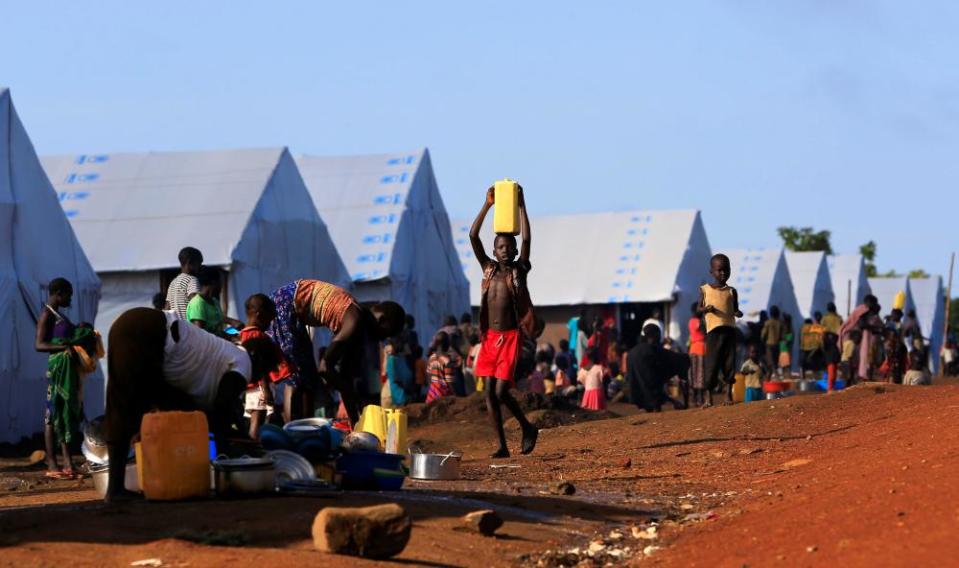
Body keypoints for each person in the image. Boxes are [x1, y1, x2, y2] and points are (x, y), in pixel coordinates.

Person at [102, 306, 279, 502]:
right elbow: (220, 412)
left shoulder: (226, 355)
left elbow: (195, 406)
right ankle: (115, 489)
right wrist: (239, 446)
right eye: (265, 371)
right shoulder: (243, 362)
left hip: (137, 325)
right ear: (259, 359)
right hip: (148, 330)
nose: (261, 377)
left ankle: (120, 487)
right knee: (124, 406)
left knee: (135, 405)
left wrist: (235, 434)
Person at [268, 279, 405, 424]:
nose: (380, 340)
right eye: (383, 335)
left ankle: (305, 430)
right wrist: (347, 391)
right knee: (297, 375)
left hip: (294, 310)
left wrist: (355, 421)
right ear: (381, 320)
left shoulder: (357, 327)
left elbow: (345, 376)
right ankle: (293, 431)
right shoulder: (354, 319)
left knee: (308, 377)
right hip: (285, 303)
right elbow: (325, 367)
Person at [469, 185, 539, 458]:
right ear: (494, 251)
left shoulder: (519, 271)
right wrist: (487, 205)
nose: (506, 250)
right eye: (501, 247)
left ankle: (527, 427)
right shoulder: (488, 268)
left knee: (500, 391)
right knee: (489, 394)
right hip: (489, 339)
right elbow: (473, 235)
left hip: (510, 337)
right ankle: (501, 445)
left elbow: (527, 241)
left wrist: (522, 206)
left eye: (509, 247)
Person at [34, 278, 99, 480]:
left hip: (67, 370)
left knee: (65, 415)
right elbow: (40, 344)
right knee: (52, 415)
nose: (70, 298)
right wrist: (64, 347)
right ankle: (53, 463)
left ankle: (69, 463)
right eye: (68, 294)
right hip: (57, 371)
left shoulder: (58, 315)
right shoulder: (46, 314)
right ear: (59, 293)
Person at [239, 294, 295, 431]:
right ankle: (254, 445)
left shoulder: (244, 334)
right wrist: (266, 389)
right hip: (259, 388)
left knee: (260, 419)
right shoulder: (256, 336)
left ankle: (255, 444)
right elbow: (259, 367)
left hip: (255, 387)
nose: (270, 324)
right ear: (258, 315)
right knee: (257, 421)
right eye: (268, 320)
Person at [698, 253, 743, 407]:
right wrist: (706, 309)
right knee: (712, 364)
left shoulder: (732, 291)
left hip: (729, 331)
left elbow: (735, 309)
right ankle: (708, 397)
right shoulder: (705, 290)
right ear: (712, 271)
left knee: (729, 363)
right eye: (719, 270)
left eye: (726, 270)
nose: (723, 273)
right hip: (713, 333)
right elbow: (699, 308)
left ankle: (728, 394)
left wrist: (737, 313)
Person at [838, 295, 885, 382]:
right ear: (868, 303)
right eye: (873, 303)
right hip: (852, 337)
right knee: (851, 358)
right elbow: (861, 324)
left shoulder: (873, 314)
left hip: (865, 339)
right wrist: (874, 328)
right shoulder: (862, 311)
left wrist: (877, 329)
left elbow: (880, 327)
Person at [186, 268, 242, 336]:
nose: (221, 287)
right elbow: (200, 334)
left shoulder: (214, 301)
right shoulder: (197, 304)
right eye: (220, 283)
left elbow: (218, 318)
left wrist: (233, 322)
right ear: (213, 282)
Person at [627, 324, 668, 412]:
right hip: (652, 397)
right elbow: (657, 375)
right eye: (659, 334)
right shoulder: (653, 351)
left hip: (637, 396)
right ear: (655, 335)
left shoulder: (631, 352)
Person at [165, 247, 203, 320]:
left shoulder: (173, 282)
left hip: (177, 328)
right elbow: (196, 306)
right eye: (199, 263)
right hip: (188, 328)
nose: (200, 267)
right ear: (190, 262)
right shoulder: (192, 280)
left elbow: (167, 309)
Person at [426, 332, 459, 403]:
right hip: (443, 395)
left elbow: (429, 376)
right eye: (448, 342)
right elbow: (450, 382)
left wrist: (432, 389)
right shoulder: (447, 361)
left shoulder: (431, 358)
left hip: (432, 394)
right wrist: (456, 396)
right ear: (445, 343)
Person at [687, 302, 707, 407]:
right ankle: (698, 398)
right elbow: (703, 329)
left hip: (694, 348)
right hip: (700, 349)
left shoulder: (691, 321)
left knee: (695, 375)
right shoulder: (696, 321)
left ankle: (696, 398)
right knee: (700, 375)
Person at [385, 338, 414, 407]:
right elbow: (402, 377)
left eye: (388, 345)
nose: (386, 347)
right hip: (401, 395)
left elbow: (399, 376)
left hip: (401, 396)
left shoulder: (394, 359)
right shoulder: (397, 359)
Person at [761, 306, 785, 375]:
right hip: (777, 344)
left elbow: (763, 334)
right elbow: (783, 335)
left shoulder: (768, 322)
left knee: (770, 361)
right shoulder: (780, 323)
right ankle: (776, 373)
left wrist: (763, 341)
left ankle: (773, 374)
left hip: (769, 344)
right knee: (776, 360)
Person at [799, 314, 825, 379]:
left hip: (804, 349)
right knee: (815, 368)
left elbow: (800, 339)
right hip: (815, 350)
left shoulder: (802, 327)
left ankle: (803, 379)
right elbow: (820, 341)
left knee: (802, 366)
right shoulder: (817, 327)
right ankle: (817, 381)